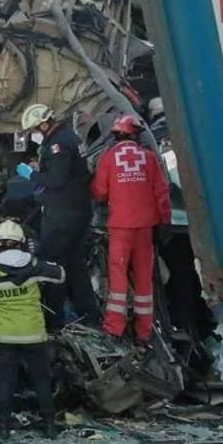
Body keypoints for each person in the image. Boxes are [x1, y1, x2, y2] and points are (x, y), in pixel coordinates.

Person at [17, 103, 98, 330]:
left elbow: (57, 180)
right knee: (75, 266)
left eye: (34, 129)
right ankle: (89, 316)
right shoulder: (69, 137)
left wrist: (31, 174)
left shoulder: (58, 144)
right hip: (78, 212)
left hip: (62, 215)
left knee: (53, 266)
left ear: (44, 124)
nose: (34, 134)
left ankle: (54, 320)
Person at [0, 220, 65, 440]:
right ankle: (50, 426)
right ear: (21, 243)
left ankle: (1, 427)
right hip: (33, 335)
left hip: (5, 337)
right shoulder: (33, 265)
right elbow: (61, 274)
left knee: (7, 382)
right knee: (41, 380)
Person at [92, 115, 171, 344]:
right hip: (145, 227)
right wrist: (164, 221)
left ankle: (114, 327)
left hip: (120, 227)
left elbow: (99, 191)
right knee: (144, 277)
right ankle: (144, 331)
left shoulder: (108, 158)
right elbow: (161, 192)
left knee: (118, 276)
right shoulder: (149, 158)